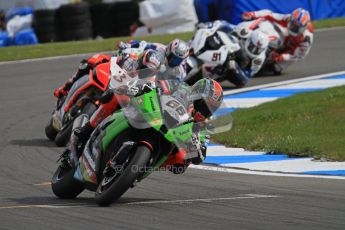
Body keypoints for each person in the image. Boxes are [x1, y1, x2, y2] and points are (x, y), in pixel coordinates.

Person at [71, 77, 223, 173]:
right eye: (204, 105)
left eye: (210, 109)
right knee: (116, 95)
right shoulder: (181, 88)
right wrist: (137, 88)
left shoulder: (204, 125)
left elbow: (201, 153)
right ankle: (87, 129)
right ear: (196, 93)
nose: (204, 112)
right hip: (153, 113)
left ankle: (139, 169)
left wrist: (196, 147)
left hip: (170, 137)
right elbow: (157, 85)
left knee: (181, 161)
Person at [196, 20, 269, 87]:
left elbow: (248, 76)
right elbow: (225, 24)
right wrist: (209, 25)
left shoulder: (259, 59)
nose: (254, 50)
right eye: (252, 46)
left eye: (258, 50)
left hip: (235, 67)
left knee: (236, 75)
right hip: (228, 48)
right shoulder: (244, 32)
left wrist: (236, 68)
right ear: (249, 39)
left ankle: (208, 79)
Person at [242, 8, 314, 73]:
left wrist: (281, 56)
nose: (293, 28)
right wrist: (253, 14)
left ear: (304, 27)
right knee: (273, 29)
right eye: (292, 24)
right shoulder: (288, 18)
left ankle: (259, 68)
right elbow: (269, 14)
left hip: (294, 50)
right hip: (286, 38)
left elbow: (299, 56)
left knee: (277, 68)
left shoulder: (306, 40)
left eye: (297, 27)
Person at [118, 38, 190, 81]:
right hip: (140, 73)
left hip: (156, 88)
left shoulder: (180, 71)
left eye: (178, 60)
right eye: (173, 57)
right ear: (169, 50)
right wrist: (128, 45)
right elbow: (143, 44)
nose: (174, 61)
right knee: (153, 57)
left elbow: (178, 86)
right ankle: (126, 69)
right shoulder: (160, 48)